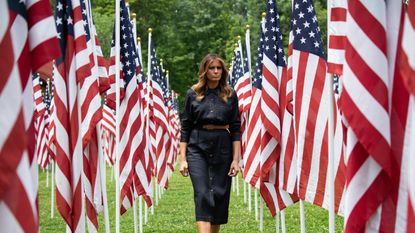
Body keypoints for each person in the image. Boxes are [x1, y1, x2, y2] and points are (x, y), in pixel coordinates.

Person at [179, 53, 241, 233]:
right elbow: (186, 127)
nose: (215, 71)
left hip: (223, 146)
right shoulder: (193, 93)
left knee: (220, 194)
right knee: (203, 193)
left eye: (219, 68)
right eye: (212, 68)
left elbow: (236, 128)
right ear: (204, 71)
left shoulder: (230, 94)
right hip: (197, 147)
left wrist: (236, 160)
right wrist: (183, 159)